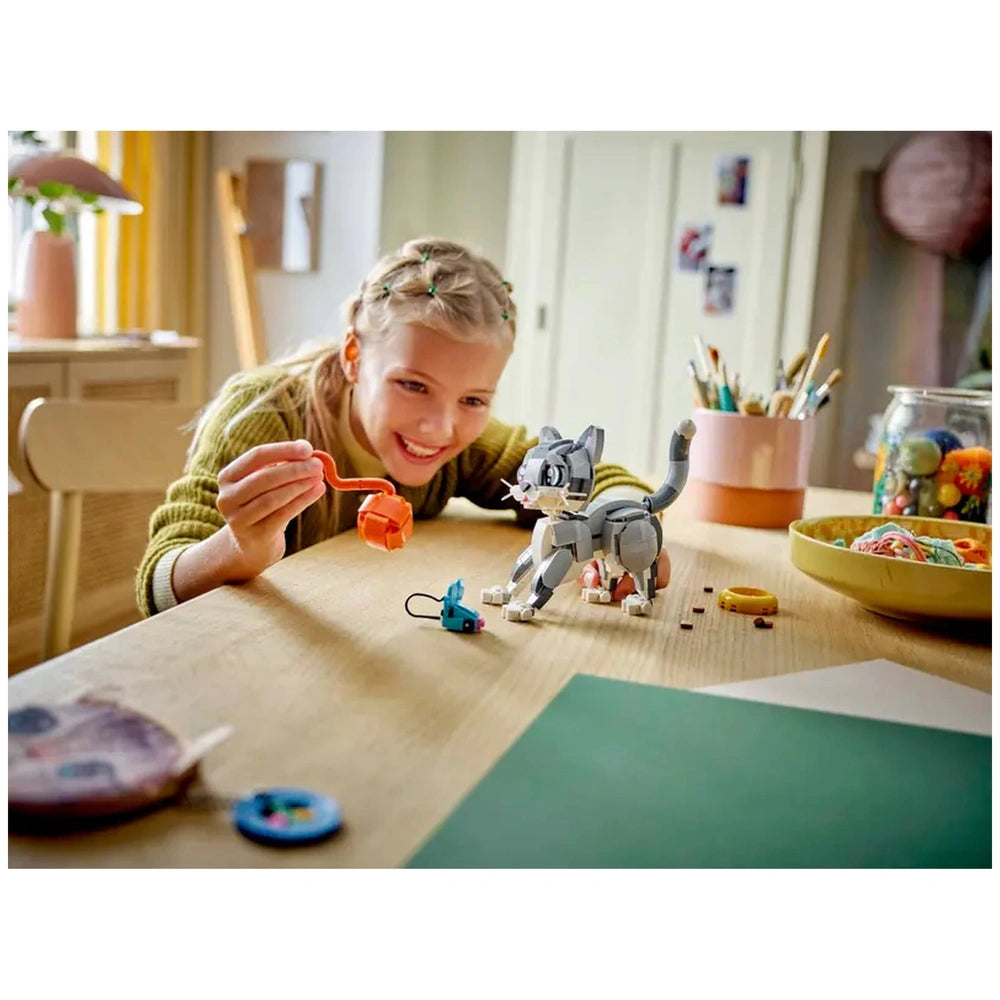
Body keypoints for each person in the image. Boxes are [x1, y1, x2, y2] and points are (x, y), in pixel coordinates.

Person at [136, 237, 668, 616]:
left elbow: (592, 475)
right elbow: (159, 587)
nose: (440, 428)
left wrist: (622, 530)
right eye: (413, 385)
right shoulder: (265, 416)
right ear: (353, 356)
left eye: (474, 399)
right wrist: (239, 548)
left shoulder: (462, 443)